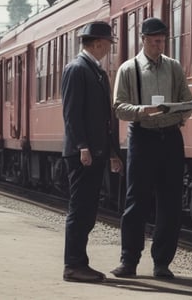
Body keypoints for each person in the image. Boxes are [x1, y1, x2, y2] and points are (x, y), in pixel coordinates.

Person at [110, 17, 192, 280]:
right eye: (155, 41)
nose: (160, 45)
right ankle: (129, 261)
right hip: (142, 137)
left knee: (170, 203)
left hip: (170, 138)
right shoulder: (129, 69)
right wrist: (141, 111)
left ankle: (162, 263)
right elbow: (118, 107)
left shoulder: (174, 67)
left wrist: (182, 112)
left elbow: (187, 99)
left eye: (163, 40)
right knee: (137, 201)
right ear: (144, 40)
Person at [61, 21, 123, 283]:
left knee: (87, 210)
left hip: (95, 151)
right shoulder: (77, 69)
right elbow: (72, 114)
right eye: (109, 43)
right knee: (80, 209)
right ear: (98, 43)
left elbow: (104, 118)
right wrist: (82, 146)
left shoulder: (95, 71)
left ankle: (79, 263)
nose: (110, 48)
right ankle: (73, 265)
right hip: (83, 153)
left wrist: (111, 152)